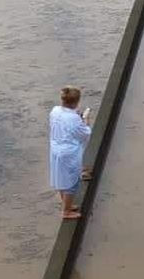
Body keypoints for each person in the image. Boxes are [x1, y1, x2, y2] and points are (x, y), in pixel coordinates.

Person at [48, 86, 92, 220]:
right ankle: (66, 211)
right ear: (77, 101)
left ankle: (66, 204)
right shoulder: (74, 119)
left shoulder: (55, 111)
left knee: (61, 178)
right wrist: (86, 121)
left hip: (55, 149)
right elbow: (85, 134)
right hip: (69, 153)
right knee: (71, 183)